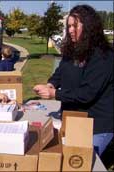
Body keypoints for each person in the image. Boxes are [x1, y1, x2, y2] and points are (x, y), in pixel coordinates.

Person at [33, 4, 113, 156]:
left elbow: (87, 93)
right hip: (73, 117)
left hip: (97, 124)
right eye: (68, 26)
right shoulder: (73, 50)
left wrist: (54, 94)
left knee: (78, 160)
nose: (70, 30)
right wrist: (51, 84)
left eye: (74, 26)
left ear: (89, 26)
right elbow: (60, 72)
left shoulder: (103, 56)